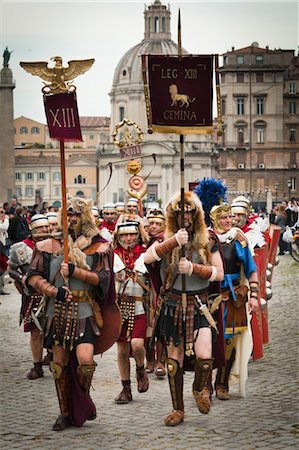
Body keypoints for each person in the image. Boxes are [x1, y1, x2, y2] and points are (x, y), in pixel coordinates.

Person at [26, 195, 118, 431]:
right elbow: (33, 277)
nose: (73, 219)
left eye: (77, 215)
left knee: (85, 362)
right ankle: (65, 413)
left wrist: (77, 271)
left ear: (84, 217)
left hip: (86, 311)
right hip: (56, 311)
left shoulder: (99, 246)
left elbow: (104, 279)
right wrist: (54, 291)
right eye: (69, 215)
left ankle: (82, 402)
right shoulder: (49, 246)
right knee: (59, 364)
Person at [144, 192, 224, 427]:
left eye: (189, 212)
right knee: (173, 361)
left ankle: (199, 388)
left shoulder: (208, 239)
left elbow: (218, 273)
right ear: (172, 215)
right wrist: (172, 242)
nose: (184, 216)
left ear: (196, 214)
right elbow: (147, 259)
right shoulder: (163, 238)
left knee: (205, 357)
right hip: (172, 306)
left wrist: (194, 269)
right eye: (180, 212)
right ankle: (177, 409)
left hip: (199, 306)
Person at [210, 203, 259, 399]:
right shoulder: (206, 239)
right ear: (214, 220)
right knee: (208, 340)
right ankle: (204, 384)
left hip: (232, 298)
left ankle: (221, 384)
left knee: (228, 342)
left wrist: (254, 296)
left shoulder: (239, 240)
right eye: (223, 218)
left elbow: (251, 269)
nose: (228, 221)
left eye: (230, 217)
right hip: (210, 295)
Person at [113, 215, 150, 404]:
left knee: (137, 344)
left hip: (139, 306)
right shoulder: (111, 255)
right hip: (119, 309)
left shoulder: (146, 254)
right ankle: (125, 388)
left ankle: (141, 368)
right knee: (121, 350)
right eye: (125, 235)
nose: (128, 239)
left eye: (132, 235)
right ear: (119, 236)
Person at [8, 214, 50, 378]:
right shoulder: (20, 248)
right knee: (35, 332)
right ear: (32, 229)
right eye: (40, 228)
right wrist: (22, 278)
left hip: (51, 294)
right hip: (32, 295)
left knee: (53, 329)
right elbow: (11, 269)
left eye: (46, 227)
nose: (45, 230)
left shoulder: (56, 245)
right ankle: (37, 365)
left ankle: (54, 360)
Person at [145, 207, 167, 378]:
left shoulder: (165, 239)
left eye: (158, 223)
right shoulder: (142, 238)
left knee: (160, 326)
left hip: (160, 287)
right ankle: (149, 359)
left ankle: (161, 361)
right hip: (144, 287)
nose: (153, 226)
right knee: (146, 325)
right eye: (151, 223)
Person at [0, 206, 9, 294]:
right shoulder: (3, 222)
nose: (2, 214)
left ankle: (1, 288)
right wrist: (6, 219)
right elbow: (4, 228)